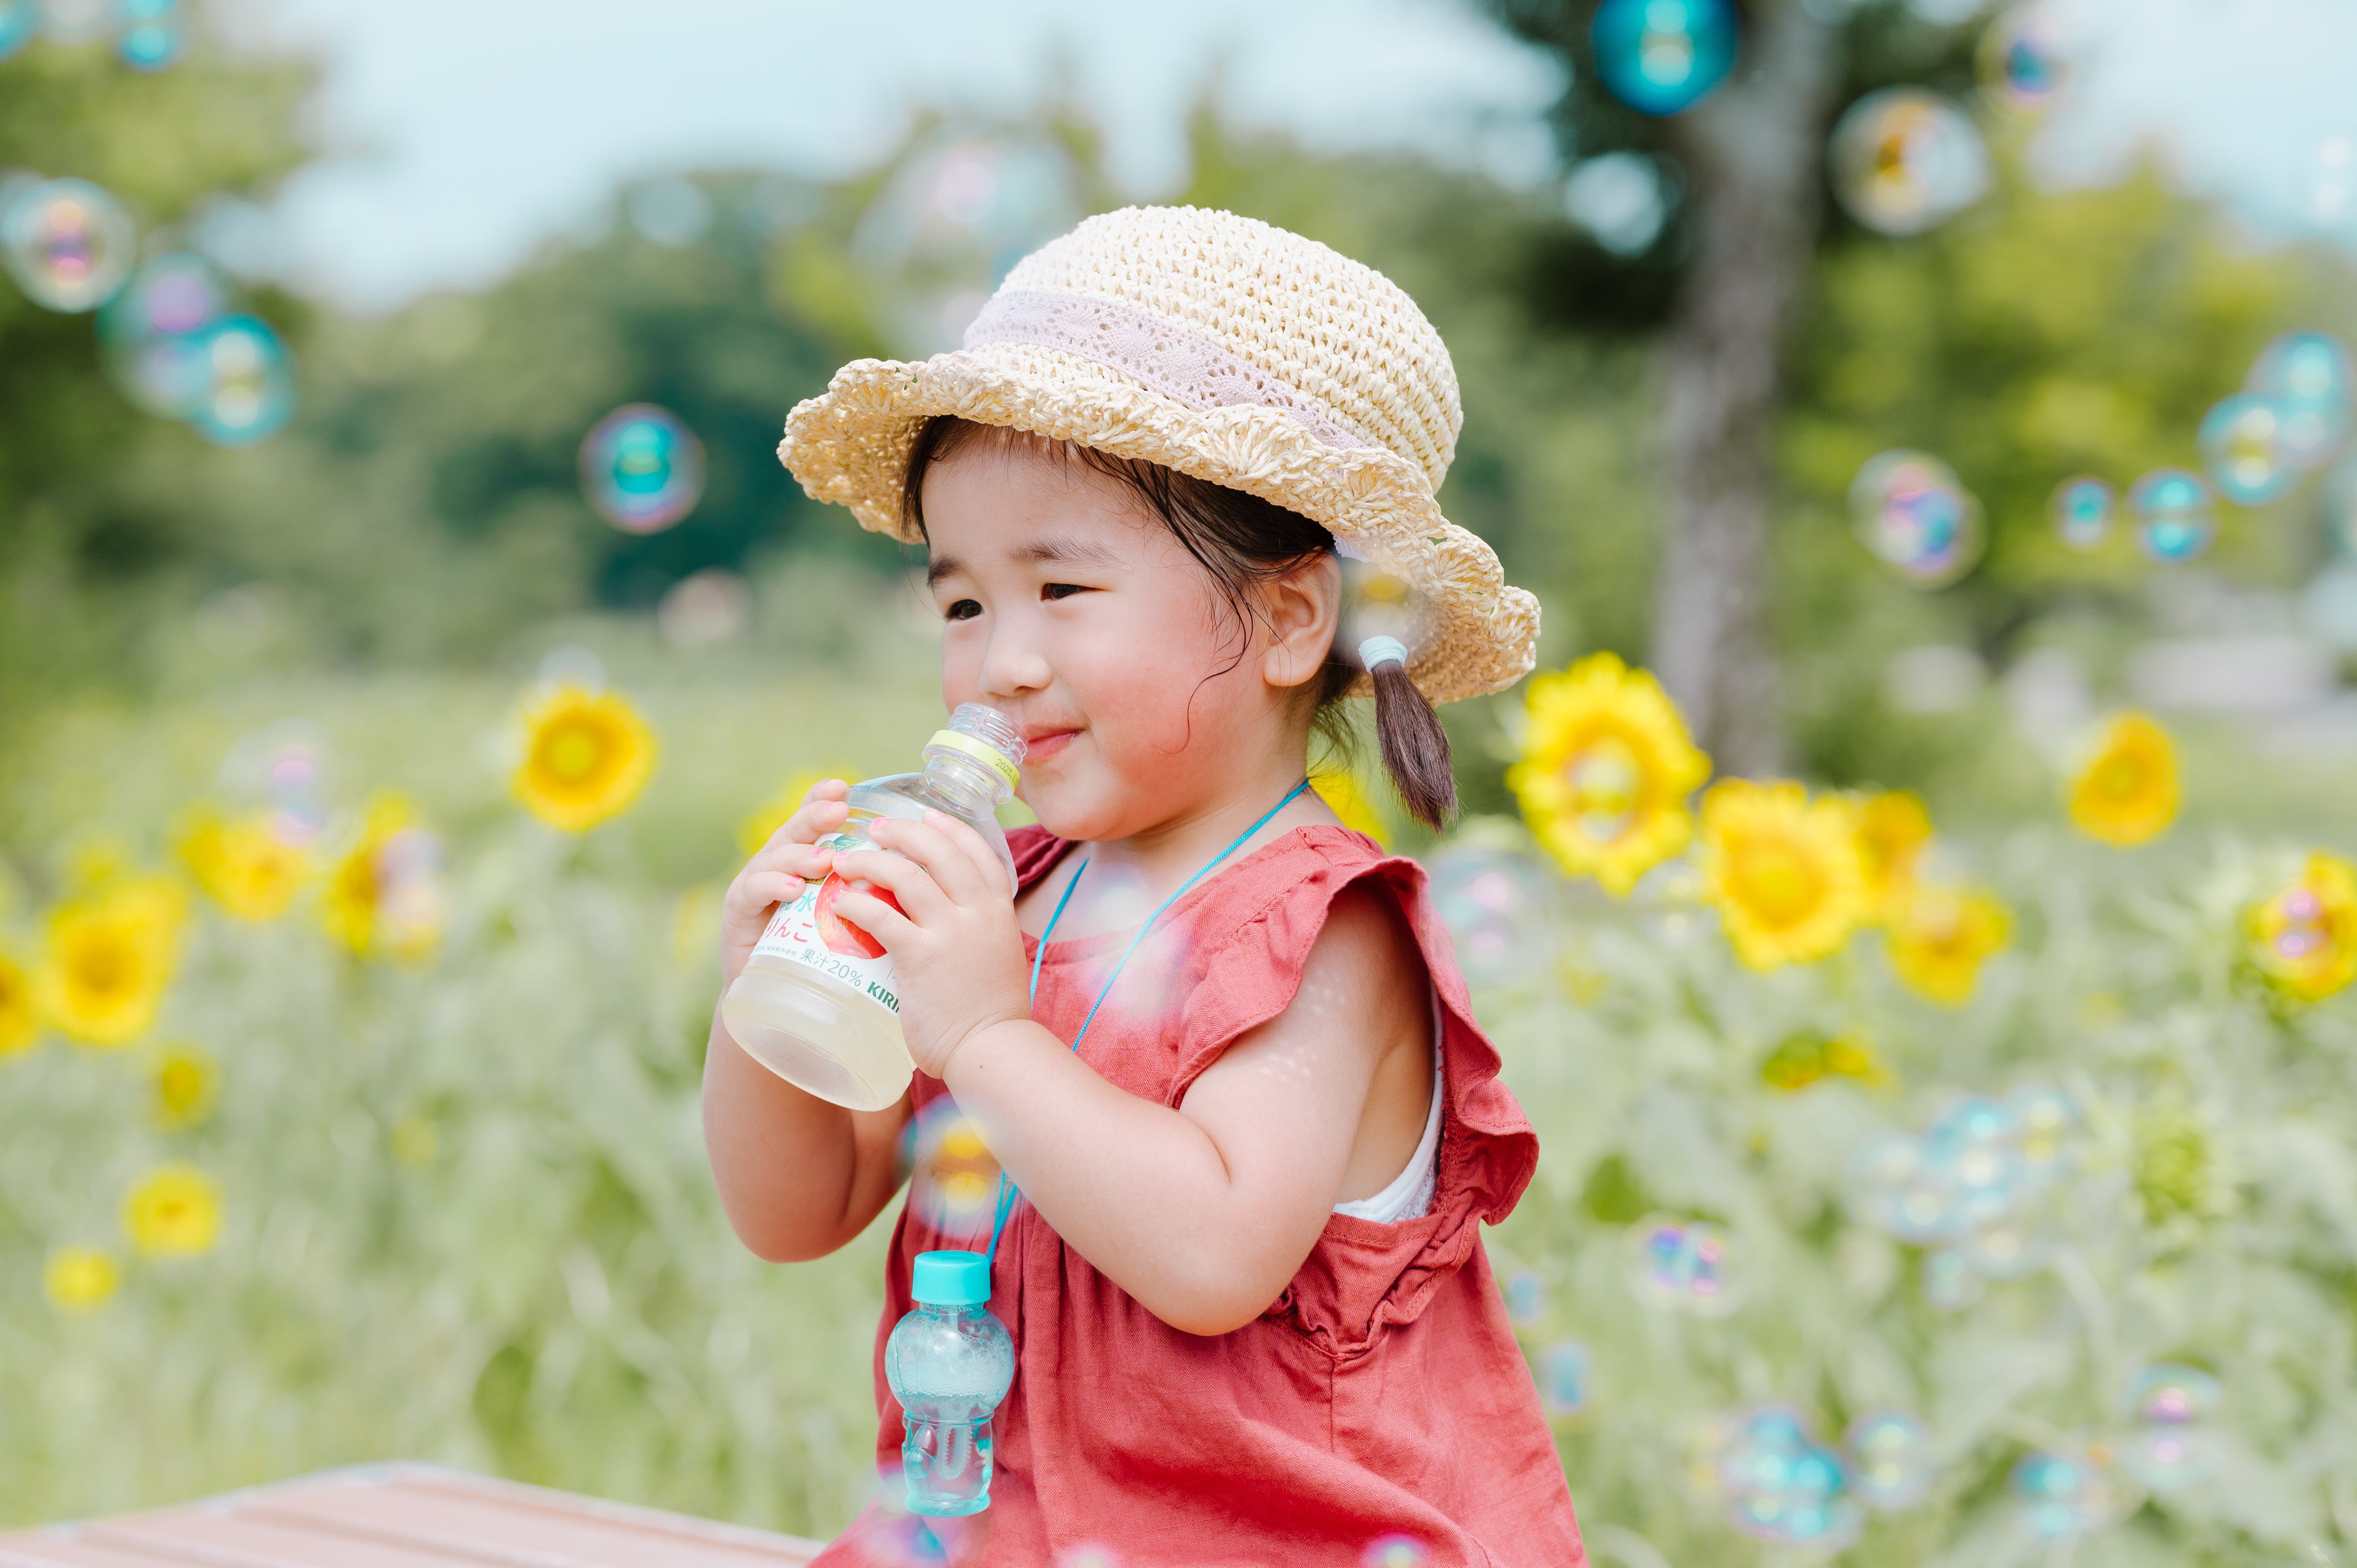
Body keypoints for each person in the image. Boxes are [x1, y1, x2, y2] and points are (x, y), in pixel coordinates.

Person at [703, 206, 1583, 1567]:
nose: (999, 661)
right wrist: (766, 998)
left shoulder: (1325, 932)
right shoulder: (1007, 896)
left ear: (1291, 617)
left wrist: (988, 1035)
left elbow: (1214, 1252)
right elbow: (797, 1210)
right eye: (961, 604)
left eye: (1060, 586)